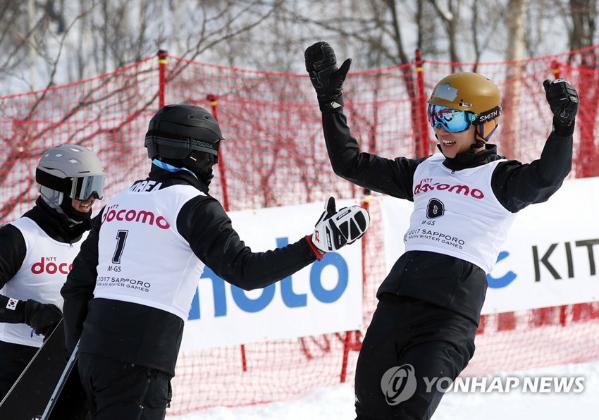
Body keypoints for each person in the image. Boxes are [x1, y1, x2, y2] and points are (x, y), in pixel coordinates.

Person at [305, 41, 579, 419]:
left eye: (451, 120)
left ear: (484, 124)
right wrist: (330, 101)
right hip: (396, 303)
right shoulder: (424, 170)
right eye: (436, 116)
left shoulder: (500, 179)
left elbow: (547, 178)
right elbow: (349, 163)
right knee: (369, 410)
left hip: (446, 318)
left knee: (404, 413)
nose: (440, 130)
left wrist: (563, 129)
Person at [61, 104, 370, 420]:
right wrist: (315, 246)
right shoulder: (194, 206)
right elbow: (246, 272)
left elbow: (75, 289)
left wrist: (81, 350)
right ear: (196, 154)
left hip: (93, 356)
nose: (213, 165)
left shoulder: (117, 203)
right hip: (141, 361)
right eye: (212, 154)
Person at [0, 144, 105, 401]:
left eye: (96, 187)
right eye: (83, 188)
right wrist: (28, 312)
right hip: (18, 362)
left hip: (77, 362)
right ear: (55, 192)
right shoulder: (18, 237)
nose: (92, 198)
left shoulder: (96, 238)